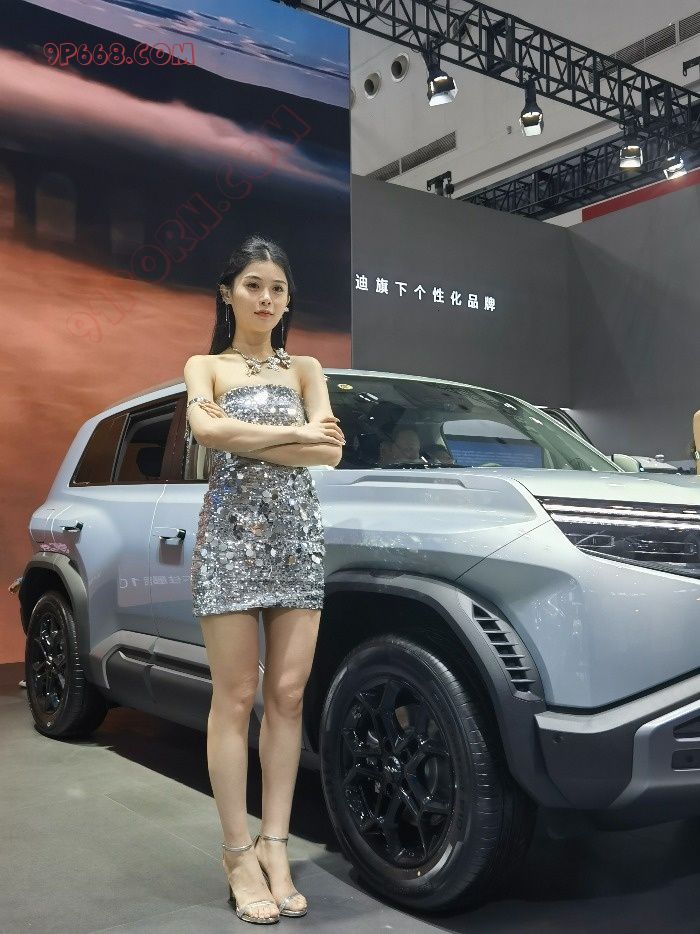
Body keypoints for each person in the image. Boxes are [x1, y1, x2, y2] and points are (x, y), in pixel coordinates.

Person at [184, 234, 345, 924]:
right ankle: (235, 852)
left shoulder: (306, 367)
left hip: (296, 538)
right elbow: (207, 434)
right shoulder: (205, 367)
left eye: (277, 288)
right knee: (235, 695)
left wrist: (250, 436)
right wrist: (298, 438)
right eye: (253, 285)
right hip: (228, 539)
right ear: (228, 293)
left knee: (287, 694)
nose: (266, 298)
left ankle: (274, 843)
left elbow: (331, 452)